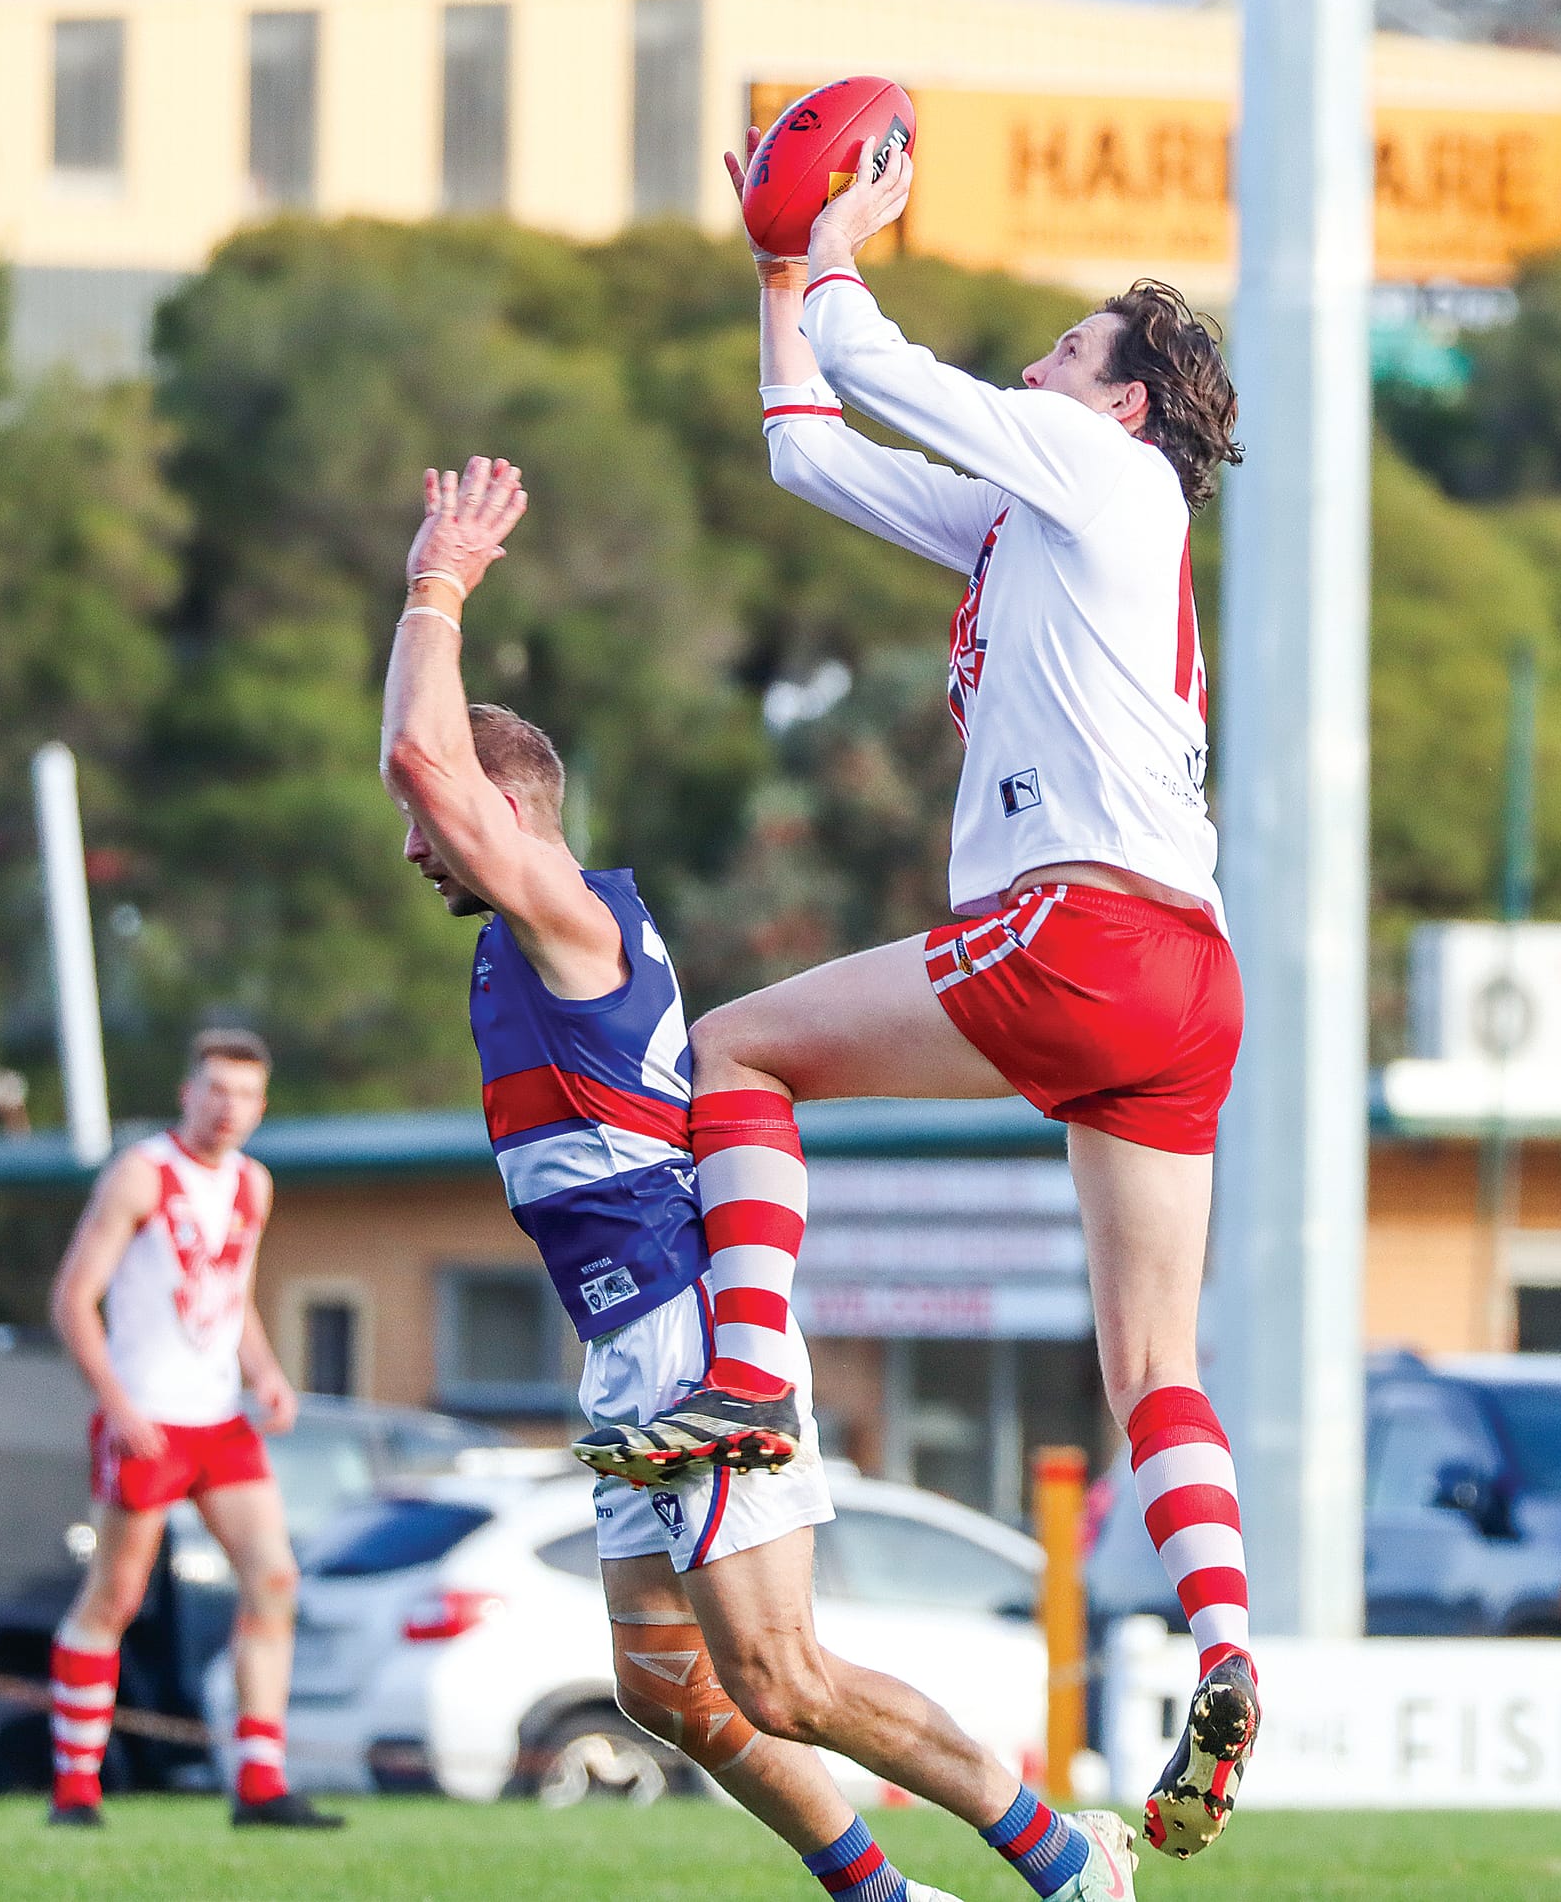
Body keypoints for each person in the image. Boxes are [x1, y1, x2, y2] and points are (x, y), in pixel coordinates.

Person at [576, 129, 1257, 1861]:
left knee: (735, 1046)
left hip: (1081, 933)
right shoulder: (1029, 515)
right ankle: (1230, 1646)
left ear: (1124, 403)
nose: (1039, 362)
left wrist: (837, 229)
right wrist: (768, 272)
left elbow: (878, 360)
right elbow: (811, 444)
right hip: (1187, 975)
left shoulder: (1117, 481)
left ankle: (741, 1376)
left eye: (1068, 349)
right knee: (1152, 1363)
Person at [380, 455, 1136, 1902]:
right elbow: (415, 757)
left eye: (440, 820)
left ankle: (1060, 1858)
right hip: (624, 1339)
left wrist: (439, 584)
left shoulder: (569, 914)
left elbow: (429, 761)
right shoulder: (513, 933)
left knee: (782, 1673)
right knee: (669, 1687)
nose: (415, 842)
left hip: (685, 1328)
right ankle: (884, 1894)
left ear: (513, 811)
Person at [45, 1029, 340, 1830]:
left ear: (263, 1105)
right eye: (215, 1089)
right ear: (187, 1092)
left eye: (244, 1094)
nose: (228, 1108)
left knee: (273, 1579)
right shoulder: (144, 1174)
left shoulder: (252, 1184)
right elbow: (74, 1299)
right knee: (116, 1595)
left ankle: (259, 1784)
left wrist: (267, 1372)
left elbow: (228, 1292)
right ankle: (74, 1790)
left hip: (218, 1421)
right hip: (148, 1416)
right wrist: (118, 1406)